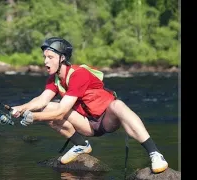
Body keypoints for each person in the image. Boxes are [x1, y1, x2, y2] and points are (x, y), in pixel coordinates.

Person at [11, 37, 168, 174]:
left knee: (118, 105)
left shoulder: (79, 74)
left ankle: (155, 153)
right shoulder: (54, 79)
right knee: (48, 108)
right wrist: (20, 108)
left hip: (106, 120)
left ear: (62, 58)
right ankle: (81, 145)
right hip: (86, 124)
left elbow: (62, 111)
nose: (45, 61)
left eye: (50, 57)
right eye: (44, 57)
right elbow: (41, 100)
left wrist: (34, 117)